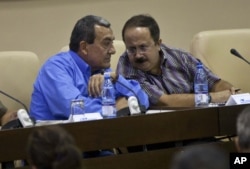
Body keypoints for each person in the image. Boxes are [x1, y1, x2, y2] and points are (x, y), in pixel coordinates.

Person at [30, 15, 149, 120]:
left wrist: (117, 79)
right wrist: (115, 107)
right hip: (55, 141)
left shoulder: (102, 71)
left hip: (94, 138)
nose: (113, 50)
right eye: (106, 43)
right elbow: (75, 110)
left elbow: (143, 100)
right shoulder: (55, 68)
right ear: (84, 47)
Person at [116, 14, 239, 107]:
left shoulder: (180, 57)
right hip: (158, 133)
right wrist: (212, 98)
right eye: (131, 49)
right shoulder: (126, 67)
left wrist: (229, 91)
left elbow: (214, 83)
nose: (137, 55)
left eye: (143, 47)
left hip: (198, 125)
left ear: (158, 44)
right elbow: (164, 101)